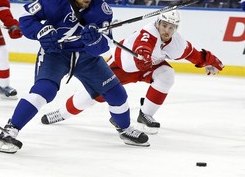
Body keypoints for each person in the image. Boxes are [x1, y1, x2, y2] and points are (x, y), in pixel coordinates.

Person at [0, 0, 149, 154]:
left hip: (86, 57)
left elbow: (104, 46)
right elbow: (26, 18)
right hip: (55, 53)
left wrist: (94, 41)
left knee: (117, 94)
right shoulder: (52, 0)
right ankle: (9, 131)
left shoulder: (102, 10)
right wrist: (41, 32)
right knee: (45, 91)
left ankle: (124, 129)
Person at [41, 10, 224, 135]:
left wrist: (212, 63)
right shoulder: (147, 33)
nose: (167, 31)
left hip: (148, 67)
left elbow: (194, 55)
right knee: (91, 97)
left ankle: (145, 115)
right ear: (158, 22)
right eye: (165, 25)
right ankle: (62, 113)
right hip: (122, 68)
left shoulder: (176, 42)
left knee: (167, 75)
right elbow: (142, 47)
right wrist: (142, 56)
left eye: (171, 27)